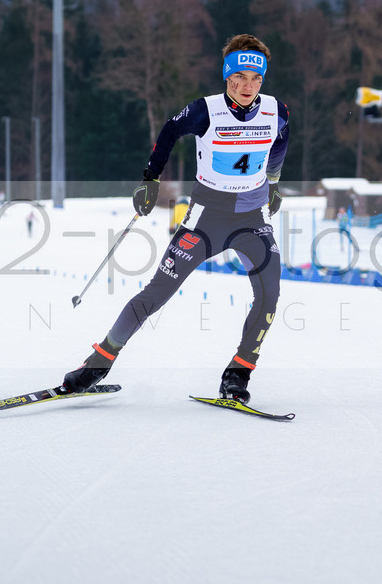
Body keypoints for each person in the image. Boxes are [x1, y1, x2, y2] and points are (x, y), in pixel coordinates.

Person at [60, 34, 289, 405]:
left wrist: (274, 184)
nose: (248, 86)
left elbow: (280, 144)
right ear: (227, 78)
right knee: (155, 294)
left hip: (252, 219)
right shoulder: (205, 110)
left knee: (270, 294)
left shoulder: (278, 111)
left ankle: (238, 373)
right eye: (240, 78)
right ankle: (96, 364)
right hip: (205, 221)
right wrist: (150, 178)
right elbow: (168, 131)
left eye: (255, 79)